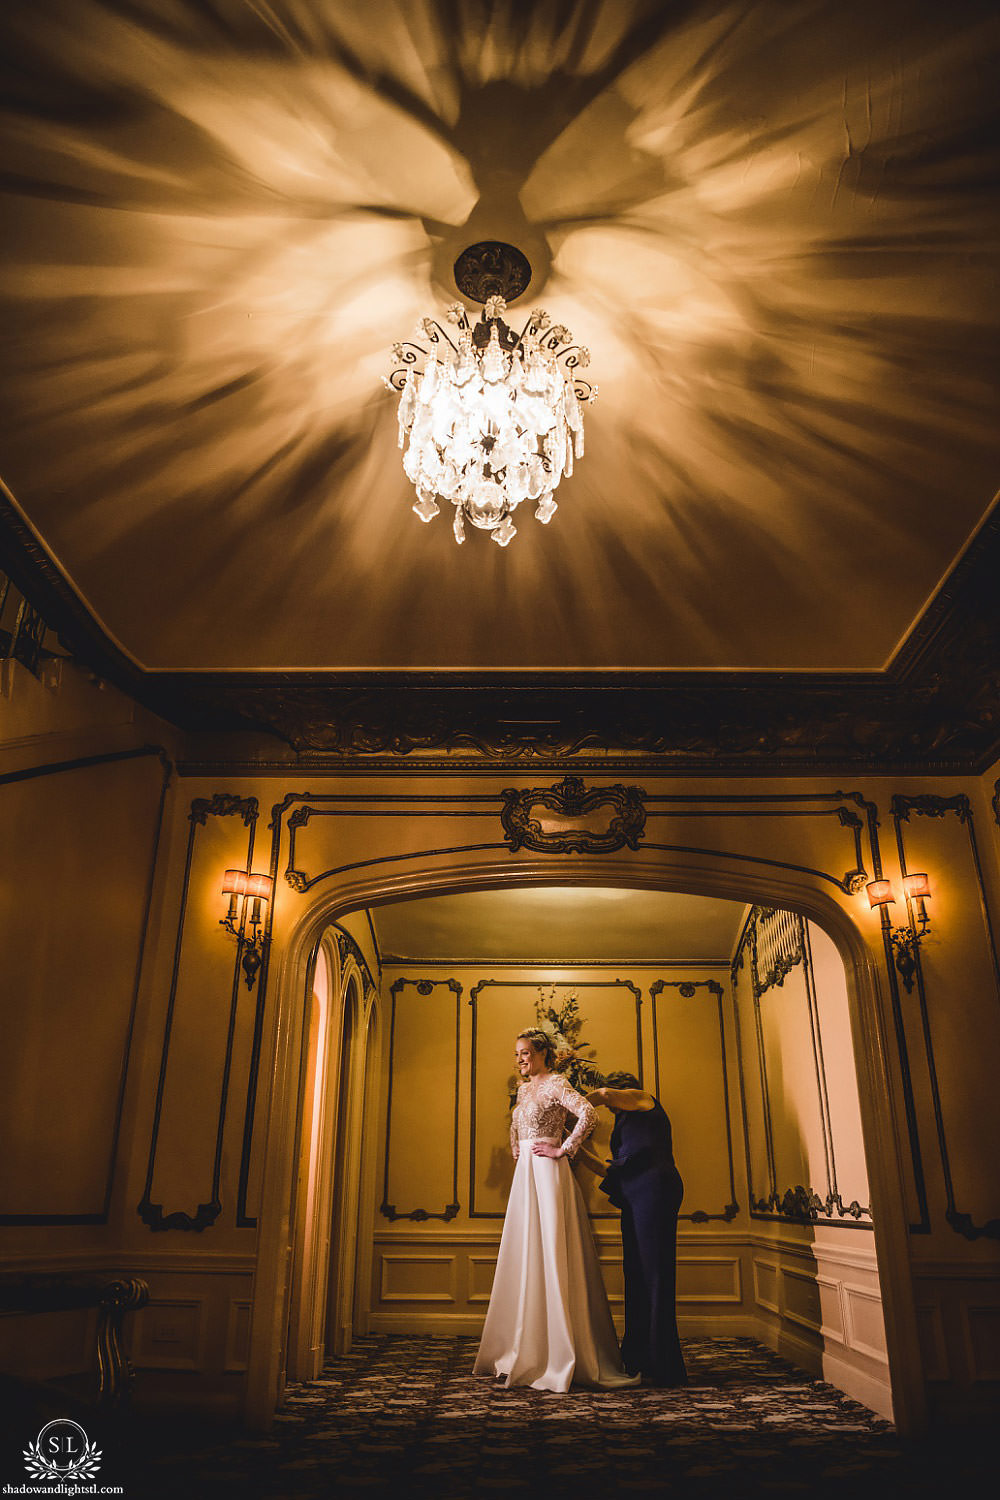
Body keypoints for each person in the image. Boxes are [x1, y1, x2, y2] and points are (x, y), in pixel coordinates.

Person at [473, 1029, 638, 1392]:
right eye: (516, 1054)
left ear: (543, 1053)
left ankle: (560, 1352)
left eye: (526, 1053)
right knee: (526, 1249)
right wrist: (516, 1144)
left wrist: (563, 1149)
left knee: (551, 1249)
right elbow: (518, 1121)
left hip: (548, 1172)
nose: (520, 1059)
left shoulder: (556, 1083)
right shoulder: (524, 1088)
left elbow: (587, 1116)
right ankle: (524, 1346)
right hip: (526, 1174)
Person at [583, 1071, 687, 1386]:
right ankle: (639, 1355)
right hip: (634, 1194)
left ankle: (663, 1362)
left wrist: (569, 1105)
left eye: (616, 1104)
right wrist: (574, 1148)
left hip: (655, 1191)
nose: (612, 1112)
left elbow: (601, 1095)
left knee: (654, 1274)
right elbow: (608, 1169)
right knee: (636, 1273)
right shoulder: (624, 1123)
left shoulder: (642, 1099)